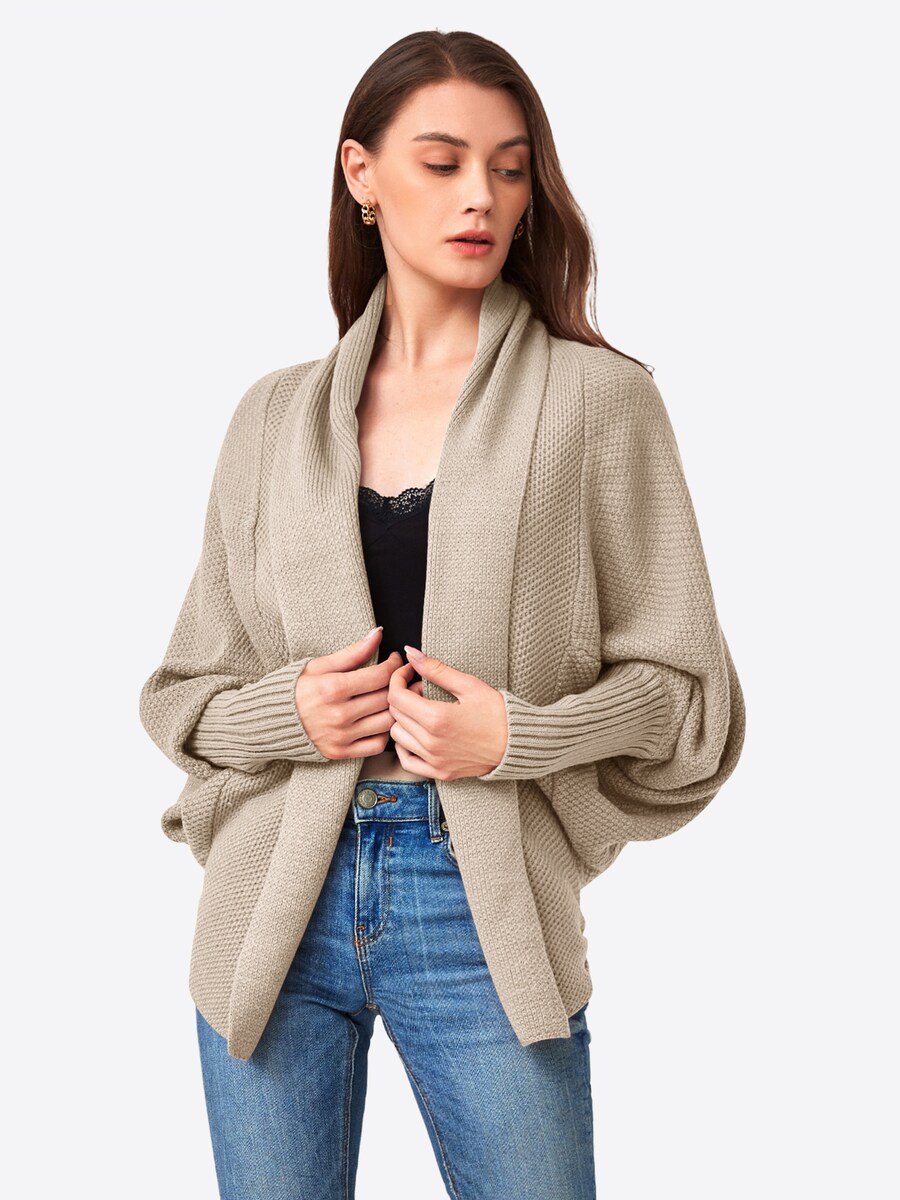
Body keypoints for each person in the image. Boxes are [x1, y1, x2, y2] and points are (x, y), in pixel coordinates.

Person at [139, 28, 745, 1200]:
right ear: (361, 174)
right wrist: (291, 714)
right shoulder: (270, 418)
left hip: (480, 904)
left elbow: (687, 697)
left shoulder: (601, 402)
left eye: (510, 169)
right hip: (269, 911)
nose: (482, 197)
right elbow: (179, 697)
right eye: (443, 161)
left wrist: (521, 736)